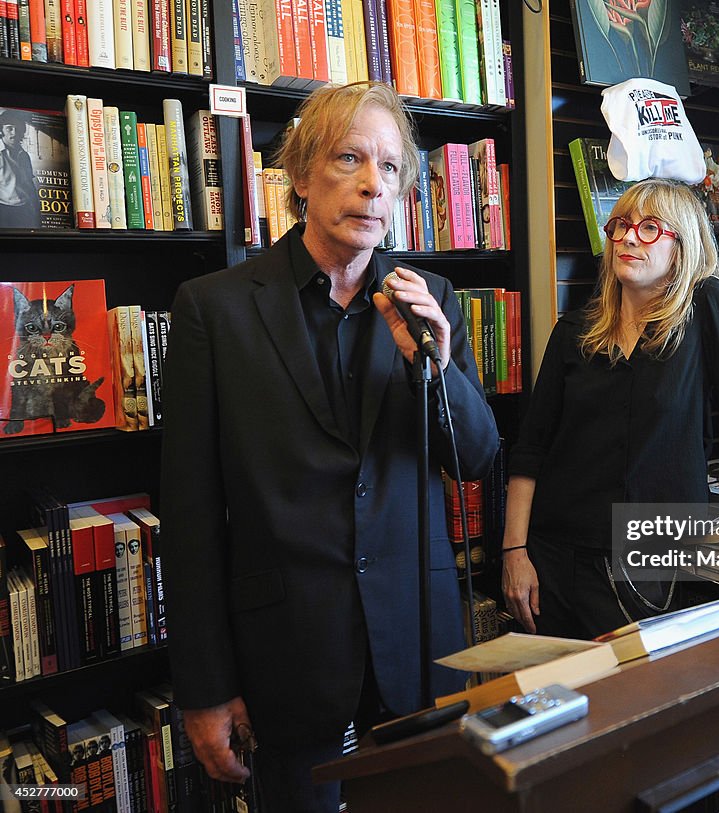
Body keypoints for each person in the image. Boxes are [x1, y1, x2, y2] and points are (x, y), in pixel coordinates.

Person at [160, 81, 499, 813]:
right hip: (286, 655)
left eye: (390, 167)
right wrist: (205, 688)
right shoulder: (213, 309)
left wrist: (433, 361)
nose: (374, 184)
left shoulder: (427, 295)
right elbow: (188, 518)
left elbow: (473, 456)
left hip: (418, 646)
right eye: (351, 159)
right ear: (302, 175)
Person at [502, 178, 719, 639]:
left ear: (682, 246)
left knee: (640, 700)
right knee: (565, 704)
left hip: (648, 554)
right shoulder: (575, 330)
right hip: (553, 557)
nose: (629, 237)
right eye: (621, 226)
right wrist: (515, 552)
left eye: (650, 227)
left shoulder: (705, 306)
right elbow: (530, 451)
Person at [0, 110, 39, 228]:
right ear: (1, 130)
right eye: (9, 128)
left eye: (18, 128)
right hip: (3, 209)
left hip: (24, 209)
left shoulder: (24, 155)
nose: (14, 132)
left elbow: (29, 184)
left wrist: (37, 209)